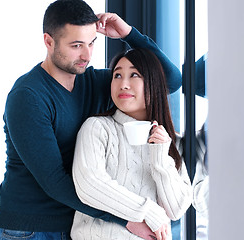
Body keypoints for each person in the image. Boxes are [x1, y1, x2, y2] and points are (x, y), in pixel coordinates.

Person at [0, 0, 181, 239]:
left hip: (76, 225)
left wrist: (129, 34)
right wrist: (127, 218)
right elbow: (54, 180)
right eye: (76, 45)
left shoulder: (94, 83)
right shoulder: (28, 97)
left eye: (91, 43)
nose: (86, 55)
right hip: (24, 230)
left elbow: (168, 81)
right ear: (48, 41)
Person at [71, 48, 192, 240]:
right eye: (117, 75)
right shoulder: (97, 127)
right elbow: (89, 185)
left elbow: (176, 209)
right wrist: (149, 211)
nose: (123, 84)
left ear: (154, 83)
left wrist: (160, 157)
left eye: (134, 74)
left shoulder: (171, 141)